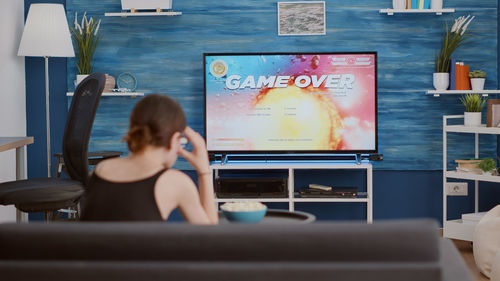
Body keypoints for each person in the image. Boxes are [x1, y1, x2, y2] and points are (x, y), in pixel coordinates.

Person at [80, 94, 218, 224]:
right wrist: (203, 170)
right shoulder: (176, 182)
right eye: (181, 141)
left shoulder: (101, 169)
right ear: (174, 140)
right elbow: (211, 239)